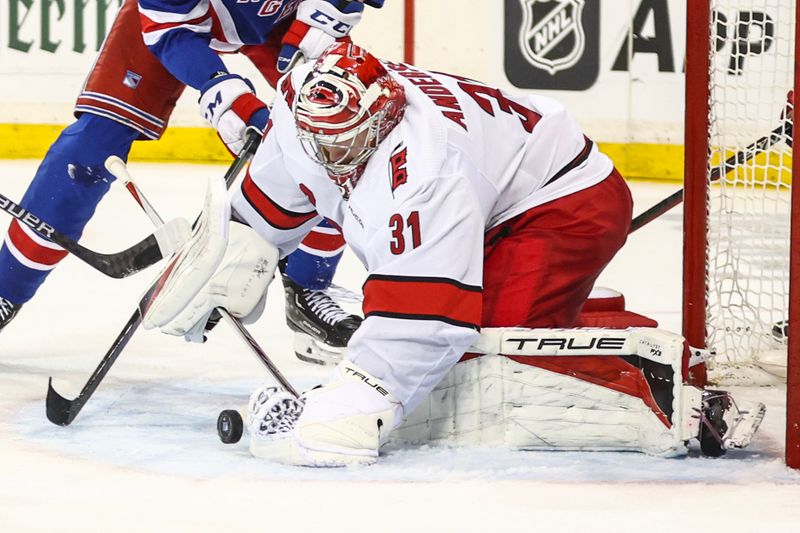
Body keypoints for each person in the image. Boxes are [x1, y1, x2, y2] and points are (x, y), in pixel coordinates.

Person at [143, 42, 648, 466]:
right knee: (463, 355)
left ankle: (646, 372)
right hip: (493, 191)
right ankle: (564, 311)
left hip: (563, 203)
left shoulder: (426, 171)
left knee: (489, 365)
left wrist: (357, 403)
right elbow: (274, 192)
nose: (329, 159)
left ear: (386, 117)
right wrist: (225, 255)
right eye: (319, 142)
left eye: (346, 145)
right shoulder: (310, 112)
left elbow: (424, 323)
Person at [0, 0, 379, 356]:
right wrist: (221, 90)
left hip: (285, 18)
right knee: (85, 156)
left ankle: (308, 290)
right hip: (175, 18)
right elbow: (169, 27)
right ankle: (6, 289)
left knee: (338, 138)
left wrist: (326, 16)